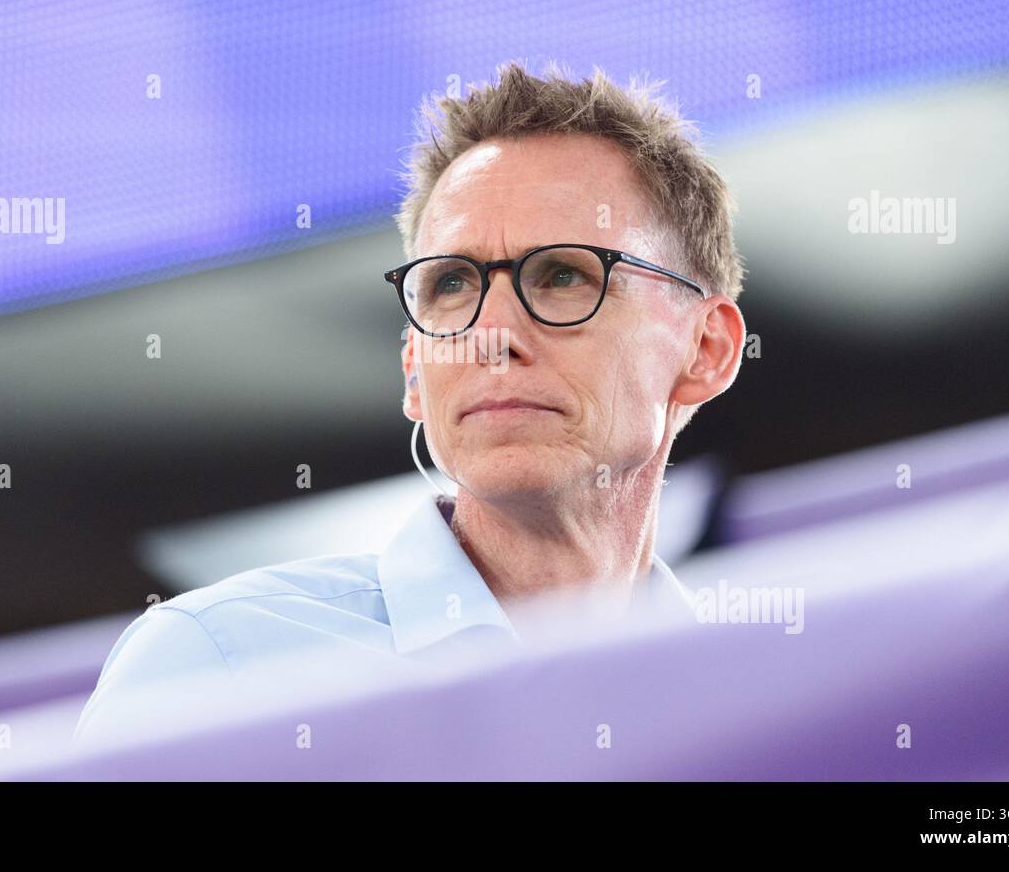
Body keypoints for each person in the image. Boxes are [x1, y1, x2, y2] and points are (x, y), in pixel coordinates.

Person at [72, 60, 746, 748]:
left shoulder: (764, 703)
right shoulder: (215, 670)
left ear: (707, 348)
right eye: (452, 284)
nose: (492, 338)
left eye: (565, 274)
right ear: (415, 372)